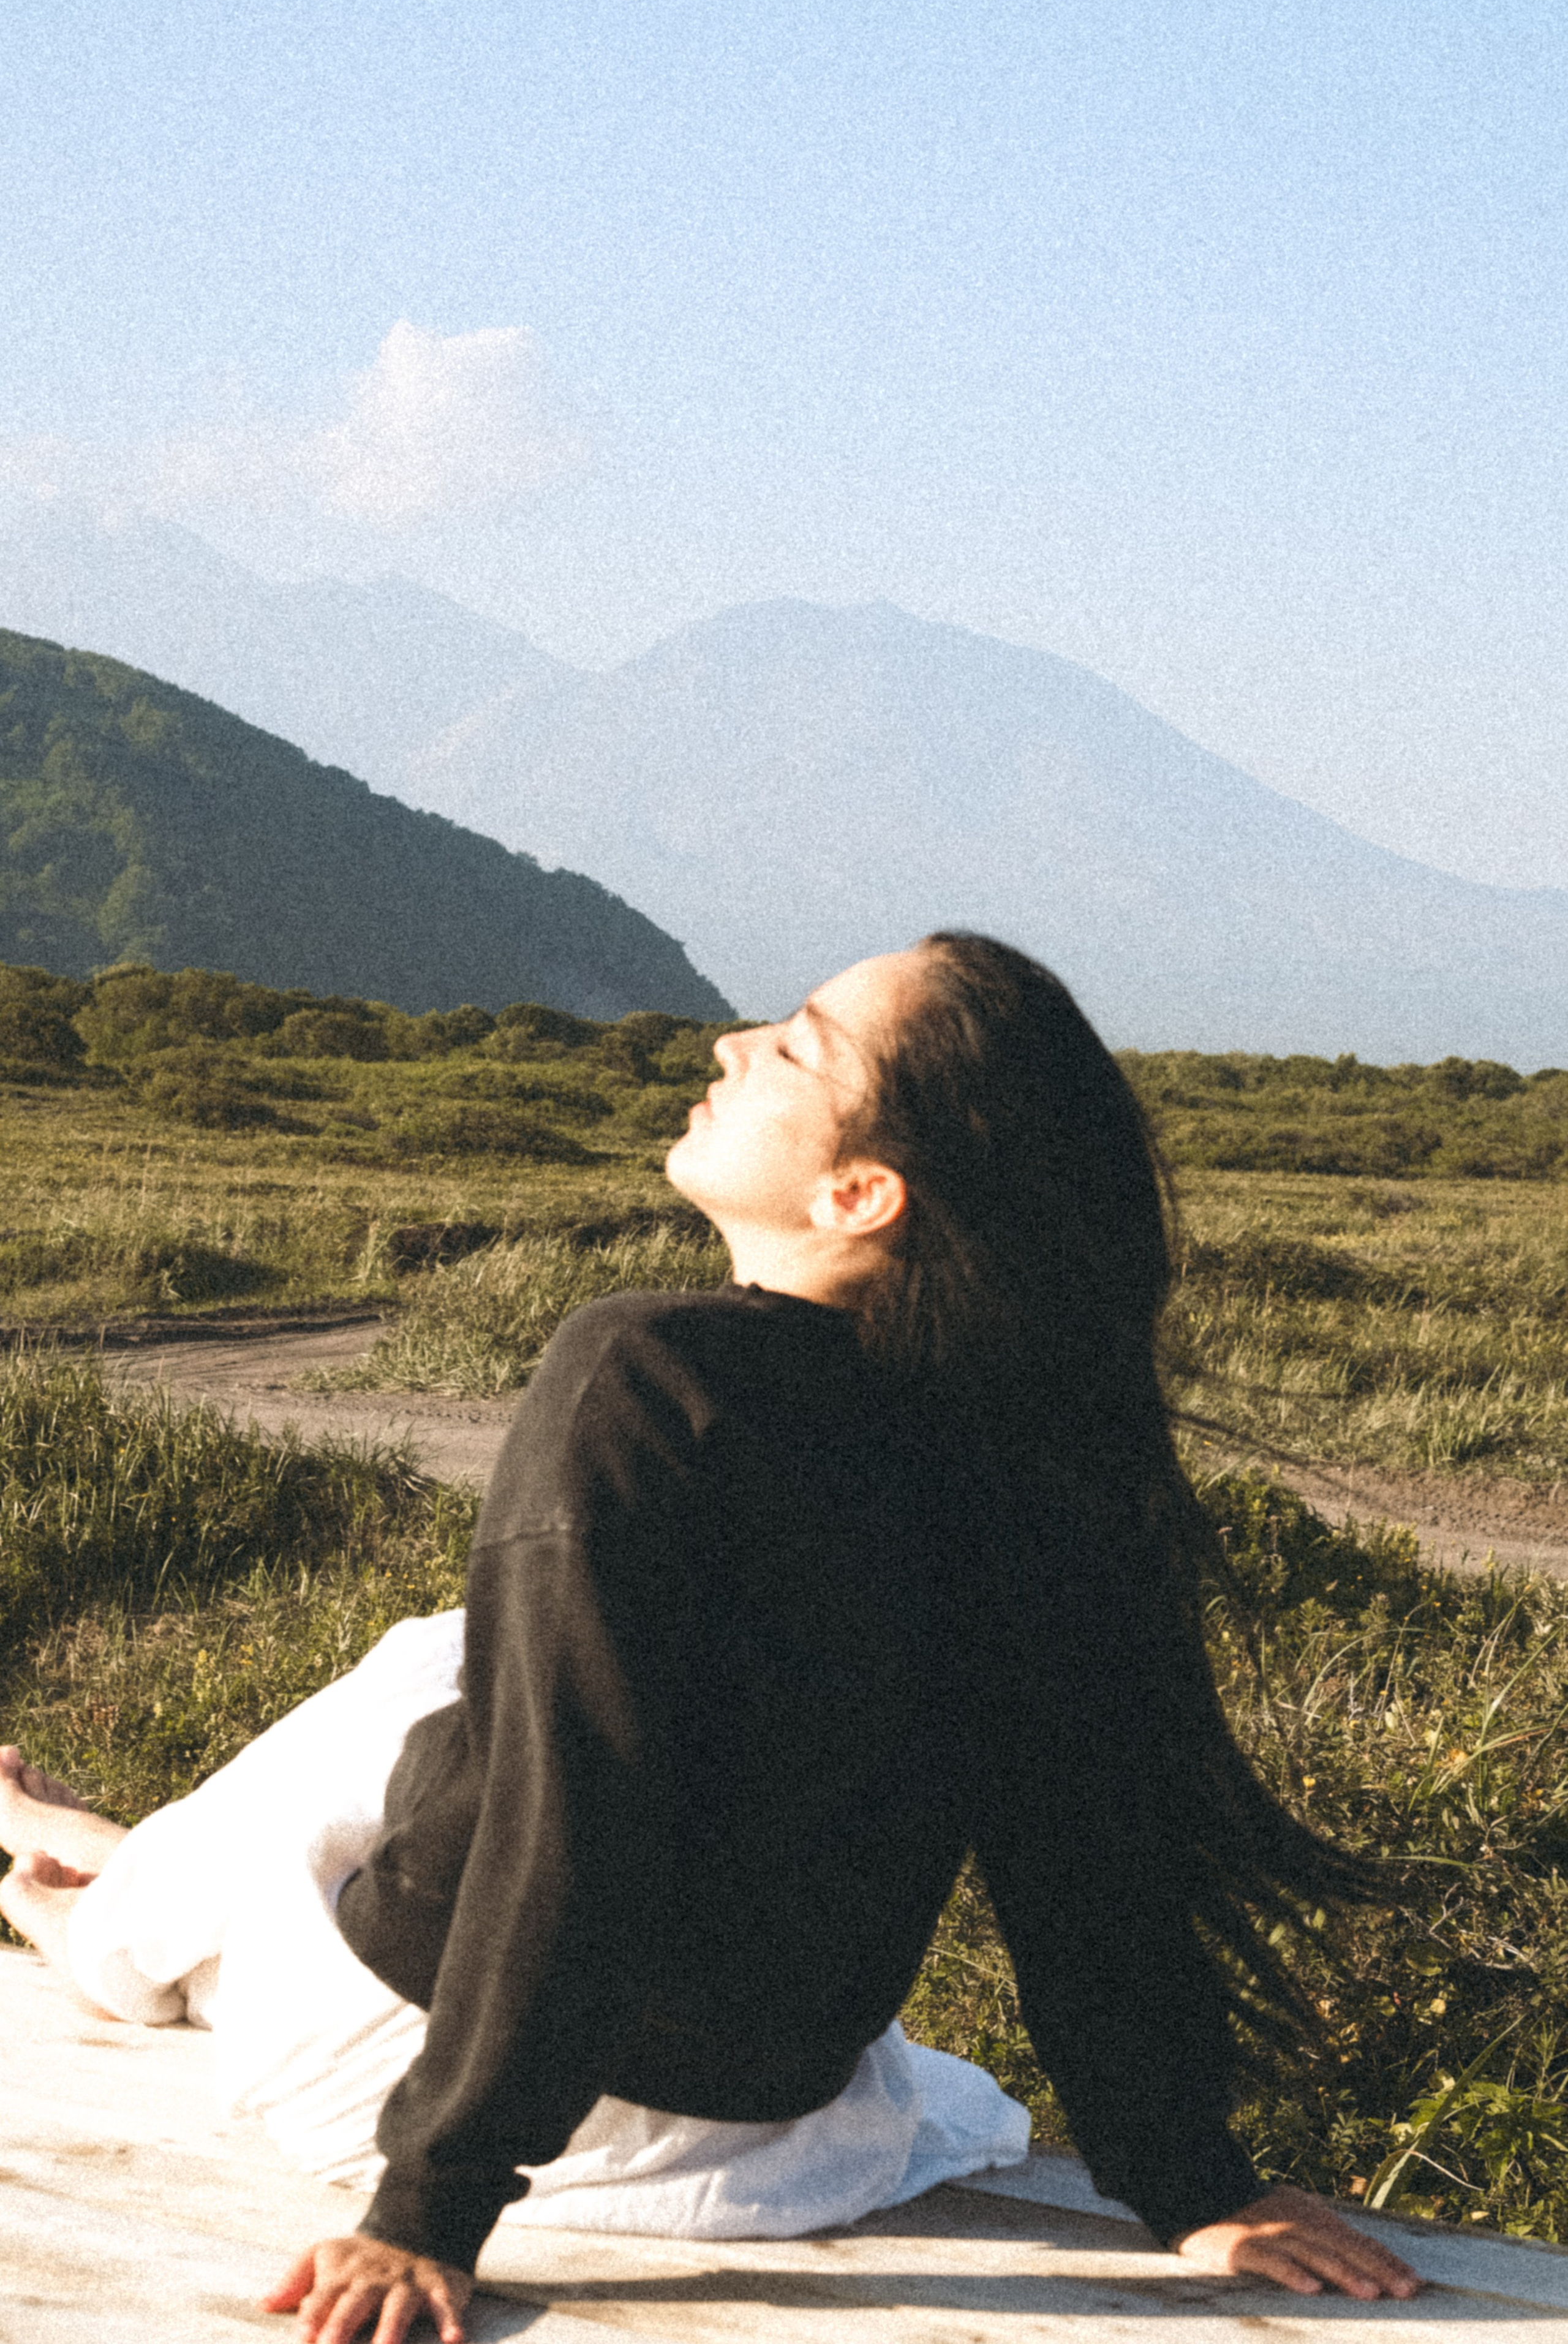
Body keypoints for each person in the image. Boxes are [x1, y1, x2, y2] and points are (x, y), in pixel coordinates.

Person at [0, 935, 1419, 2343]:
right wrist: (1188, 2185)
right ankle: (128, 1864)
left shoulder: (643, 1371)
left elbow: (576, 1800)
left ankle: (92, 1915)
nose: (730, 1048)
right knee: (451, 1681)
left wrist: (425, 2210)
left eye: (794, 1044)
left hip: (443, 2089)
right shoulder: (1015, 1444)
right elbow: (1074, 1844)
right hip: (770, 2147)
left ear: (858, 1192)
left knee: (429, 1670)